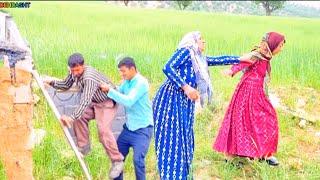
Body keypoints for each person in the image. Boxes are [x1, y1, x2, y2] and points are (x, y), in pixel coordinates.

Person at [152, 31, 243, 179]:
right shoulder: (186, 51)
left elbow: (218, 60)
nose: (204, 41)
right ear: (192, 42)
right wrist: (186, 87)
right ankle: (171, 175)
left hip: (184, 101)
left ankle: (183, 174)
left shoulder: (198, 59)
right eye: (201, 39)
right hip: (170, 99)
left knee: (185, 136)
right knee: (173, 138)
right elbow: (168, 67)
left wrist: (241, 59)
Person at [44, 52, 124, 178]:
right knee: (79, 117)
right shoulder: (73, 72)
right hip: (95, 102)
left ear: (83, 65)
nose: (75, 73)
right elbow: (66, 84)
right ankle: (84, 147)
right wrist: (51, 82)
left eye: (77, 70)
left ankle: (117, 161)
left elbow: (85, 100)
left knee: (103, 130)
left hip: (106, 102)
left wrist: (71, 118)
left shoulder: (89, 77)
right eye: (73, 70)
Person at [213, 32, 286, 166]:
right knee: (241, 121)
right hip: (247, 93)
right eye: (280, 45)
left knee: (268, 119)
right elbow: (242, 62)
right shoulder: (256, 55)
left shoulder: (266, 57)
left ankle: (264, 153)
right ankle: (231, 157)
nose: (281, 48)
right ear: (272, 45)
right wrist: (231, 71)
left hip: (259, 94)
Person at [100, 57, 153, 180]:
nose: (121, 74)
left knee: (138, 160)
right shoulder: (127, 82)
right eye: (120, 71)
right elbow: (119, 91)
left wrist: (110, 91)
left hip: (142, 130)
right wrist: (109, 88)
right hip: (129, 129)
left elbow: (129, 101)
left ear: (132, 69)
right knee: (117, 158)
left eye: (123, 71)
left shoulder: (141, 83)